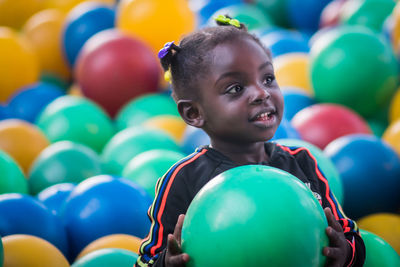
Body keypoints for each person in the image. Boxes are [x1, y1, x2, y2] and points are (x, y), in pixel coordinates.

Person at [135, 15, 365, 267]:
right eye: (235, 88)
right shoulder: (183, 179)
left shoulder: (303, 162)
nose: (262, 92)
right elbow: (146, 260)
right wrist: (167, 262)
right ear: (194, 113)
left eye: (267, 78)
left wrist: (344, 254)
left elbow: (349, 234)